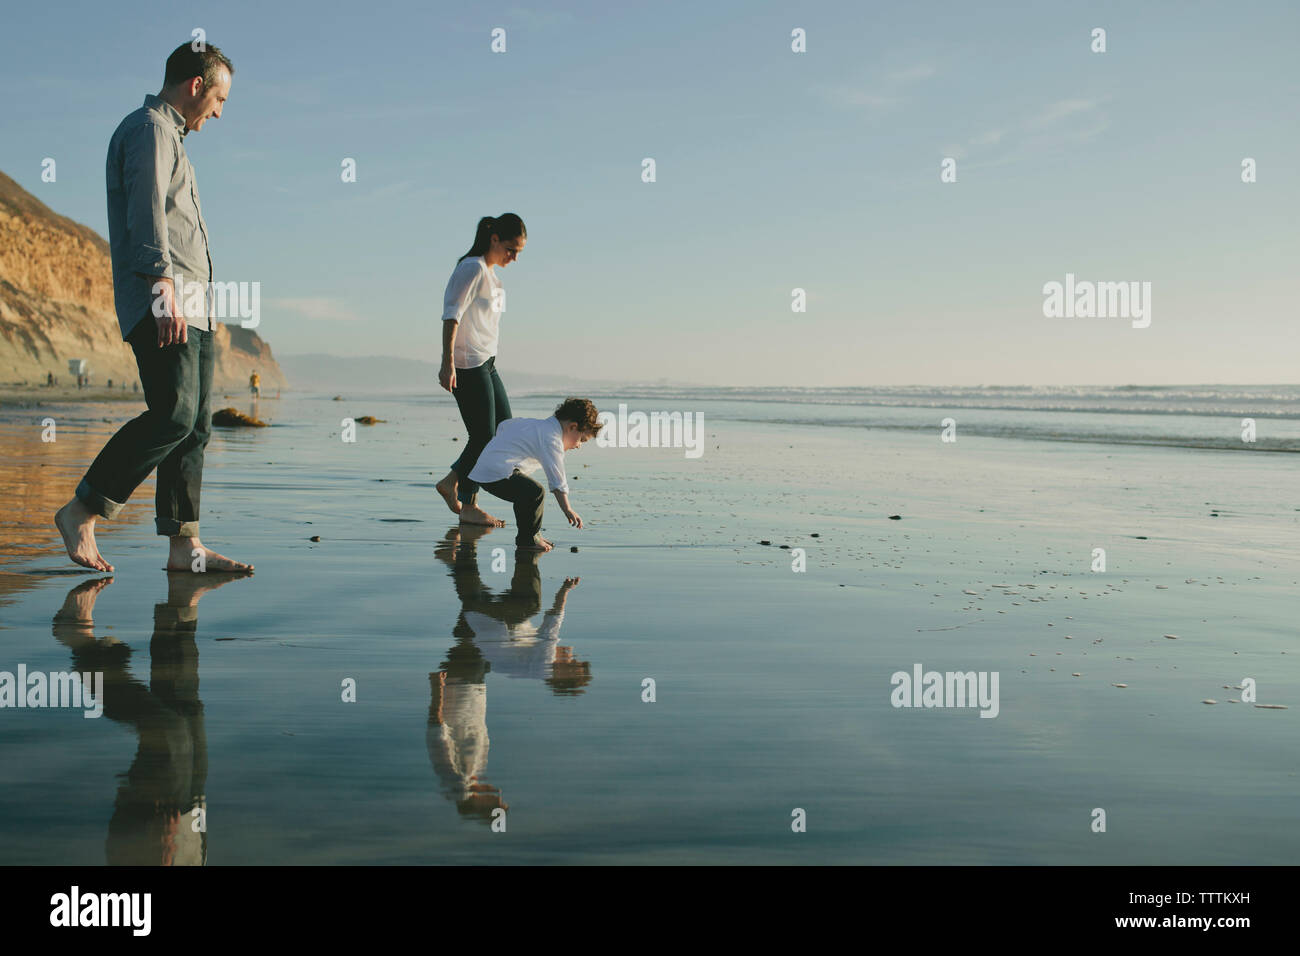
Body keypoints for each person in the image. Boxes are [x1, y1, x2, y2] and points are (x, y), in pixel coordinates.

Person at [53, 42, 251, 575]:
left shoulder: (172, 138)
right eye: (219, 98)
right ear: (195, 85)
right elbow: (148, 222)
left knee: (196, 426)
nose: (219, 110)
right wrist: (164, 296)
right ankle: (83, 508)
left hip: (195, 306)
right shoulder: (149, 130)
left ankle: (185, 546)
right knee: (173, 415)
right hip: (167, 300)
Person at [434, 214, 527, 528]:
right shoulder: (471, 268)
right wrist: (447, 363)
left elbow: (487, 325)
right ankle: (466, 501)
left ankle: (455, 485)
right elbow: (451, 315)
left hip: (487, 363)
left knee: (503, 431)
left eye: (519, 253)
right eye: (511, 249)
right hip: (467, 364)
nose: (514, 257)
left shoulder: (494, 278)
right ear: (495, 239)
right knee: (484, 436)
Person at [468, 398, 602, 552]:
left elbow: (504, 426)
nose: (578, 446)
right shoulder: (552, 439)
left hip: (487, 468)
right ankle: (528, 539)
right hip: (496, 473)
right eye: (582, 440)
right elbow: (557, 480)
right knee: (535, 492)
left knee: (526, 493)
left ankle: (532, 535)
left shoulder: (537, 425)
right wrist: (568, 509)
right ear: (573, 427)